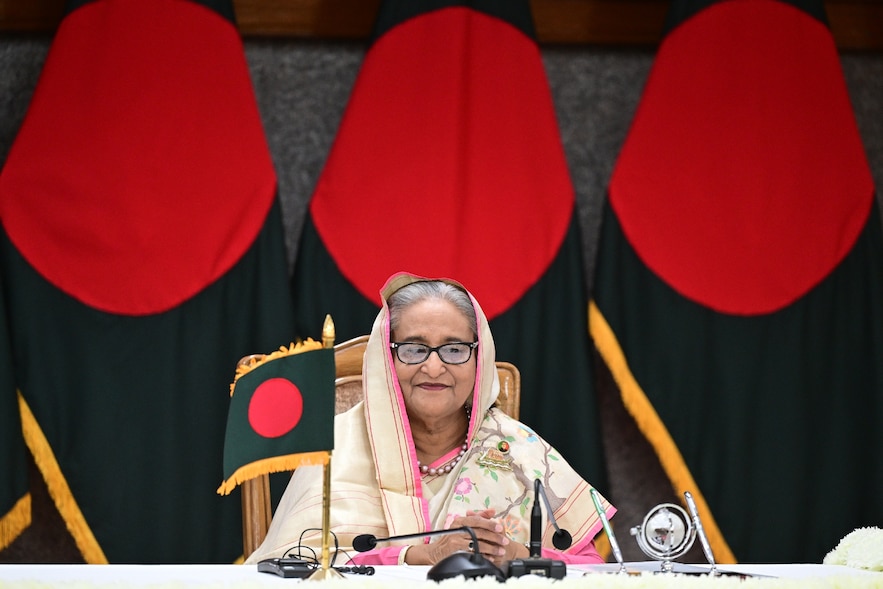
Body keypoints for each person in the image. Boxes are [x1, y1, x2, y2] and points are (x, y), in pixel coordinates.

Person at [246, 272, 615, 567]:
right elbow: (293, 568)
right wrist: (421, 555)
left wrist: (514, 555)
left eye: (454, 349)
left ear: (479, 359)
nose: (434, 367)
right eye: (414, 349)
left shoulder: (517, 450)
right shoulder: (336, 447)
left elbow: (589, 570)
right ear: (385, 360)